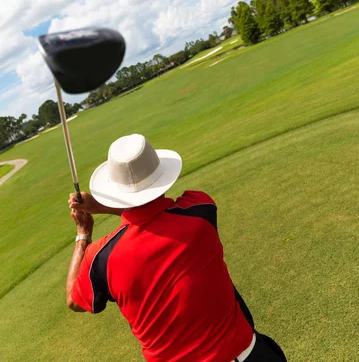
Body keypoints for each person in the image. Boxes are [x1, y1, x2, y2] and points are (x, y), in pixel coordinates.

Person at [66, 134, 286, 362]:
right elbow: (153, 214)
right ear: (159, 176)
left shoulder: (101, 258)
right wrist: (105, 206)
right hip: (251, 356)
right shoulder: (200, 209)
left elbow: (74, 299)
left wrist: (84, 233)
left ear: (114, 192)